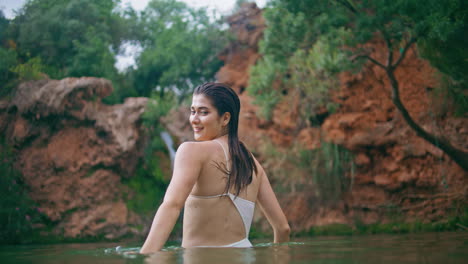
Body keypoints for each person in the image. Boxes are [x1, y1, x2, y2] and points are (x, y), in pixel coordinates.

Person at [140, 82, 290, 254]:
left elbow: (172, 205)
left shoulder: (191, 151)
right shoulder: (252, 164)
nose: (194, 119)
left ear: (225, 118)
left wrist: (145, 256)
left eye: (204, 112)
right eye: (193, 111)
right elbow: (283, 228)